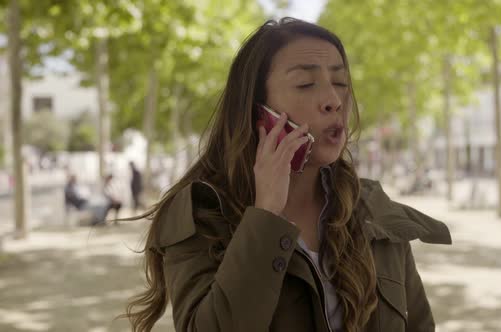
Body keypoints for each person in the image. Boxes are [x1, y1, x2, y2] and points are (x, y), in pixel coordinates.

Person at [122, 18, 451, 332]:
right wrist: (265, 216)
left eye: (340, 83)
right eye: (306, 84)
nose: (333, 101)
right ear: (257, 109)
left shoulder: (373, 209)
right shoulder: (202, 213)